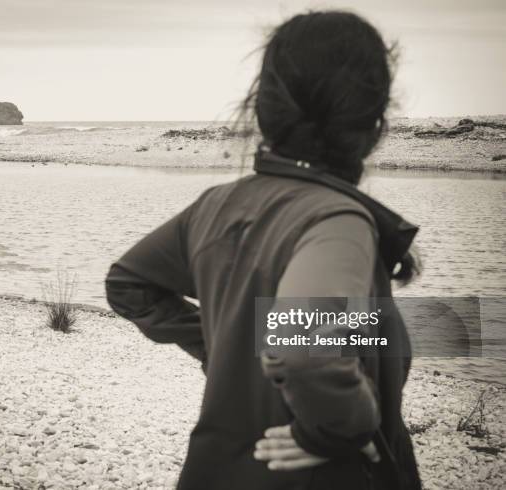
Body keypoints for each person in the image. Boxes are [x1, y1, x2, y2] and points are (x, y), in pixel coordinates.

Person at [106, 10, 422, 490]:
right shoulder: (339, 220)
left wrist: (225, 340)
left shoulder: (215, 205)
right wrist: (340, 429)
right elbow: (304, 347)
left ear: (263, 110)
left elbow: (128, 284)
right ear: (374, 120)